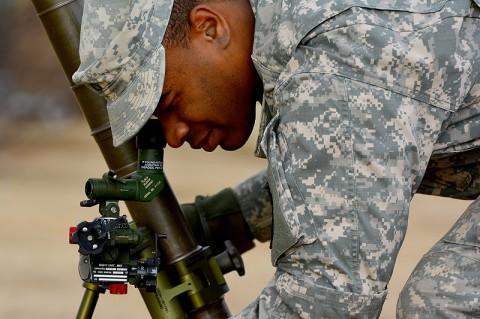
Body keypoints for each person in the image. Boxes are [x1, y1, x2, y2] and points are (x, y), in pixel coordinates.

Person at [72, 0, 480, 317]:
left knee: (443, 301)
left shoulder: (336, 55)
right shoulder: (297, 32)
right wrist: (225, 220)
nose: (174, 134)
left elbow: (331, 297)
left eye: (169, 102)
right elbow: (349, 173)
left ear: (209, 27)